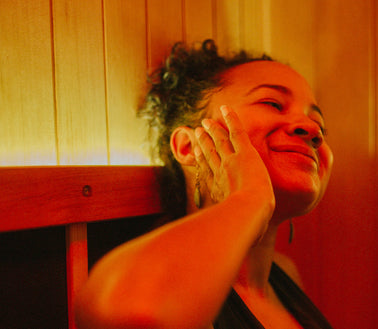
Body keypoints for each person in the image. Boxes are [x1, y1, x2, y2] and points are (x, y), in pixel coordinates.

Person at [75, 39, 334, 329]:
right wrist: (250, 197)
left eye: (319, 124)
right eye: (272, 103)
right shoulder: (173, 289)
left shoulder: (286, 275)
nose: (313, 131)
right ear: (189, 147)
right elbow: (129, 311)